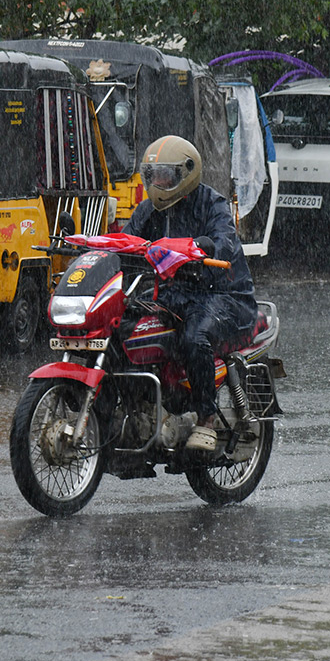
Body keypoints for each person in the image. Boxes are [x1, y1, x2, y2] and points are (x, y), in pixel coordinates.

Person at [125, 135, 258, 451]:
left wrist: (205, 248)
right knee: (124, 327)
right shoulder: (148, 211)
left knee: (194, 338)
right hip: (172, 295)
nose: (158, 182)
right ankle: (141, 406)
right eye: (152, 175)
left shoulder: (213, 205)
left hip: (223, 296)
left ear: (186, 174)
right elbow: (126, 242)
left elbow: (224, 242)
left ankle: (206, 420)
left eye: (166, 176)